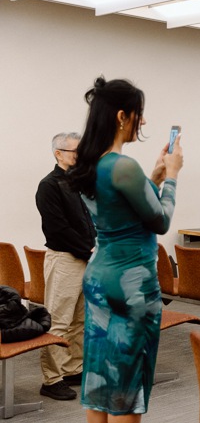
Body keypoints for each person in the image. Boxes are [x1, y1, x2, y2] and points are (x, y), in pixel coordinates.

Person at [69, 77, 183, 423]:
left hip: (100, 278)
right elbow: (160, 221)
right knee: (127, 384)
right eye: (139, 114)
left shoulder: (91, 165)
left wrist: (156, 177)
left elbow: (122, 210)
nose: (143, 122)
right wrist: (174, 176)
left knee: (100, 375)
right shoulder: (123, 166)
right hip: (132, 283)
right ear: (122, 116)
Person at [36, 132, 96, 401]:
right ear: (58, 153)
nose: (79, 157)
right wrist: (89, 249)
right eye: (74, 152)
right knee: (58, 321)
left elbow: (88, 221)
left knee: (80, 319)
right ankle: (52, 379)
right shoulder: (48, 185)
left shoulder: (77, 183)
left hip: (86, 258)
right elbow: (57, 229)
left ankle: (73, 368)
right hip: (65, 259)